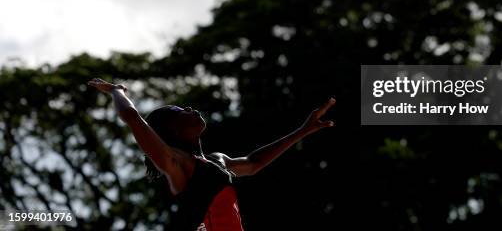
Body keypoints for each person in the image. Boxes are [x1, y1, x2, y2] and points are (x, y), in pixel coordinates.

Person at [87, 78, 335, 231]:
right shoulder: (177, 163)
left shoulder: (217, 160)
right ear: (171, 129)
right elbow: (132, 118)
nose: (190, 107)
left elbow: (253, 162)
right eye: (179, 109)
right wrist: (116, 90)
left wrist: (303, 130)